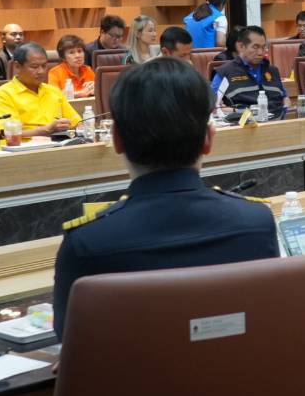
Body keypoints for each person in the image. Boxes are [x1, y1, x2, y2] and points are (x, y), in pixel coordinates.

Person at [53, 57, 278, 342]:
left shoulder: (86, 244)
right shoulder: (257, 223)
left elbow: (72, 344)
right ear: (208, 139)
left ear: (116, 139)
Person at [0, 42, 81, 138]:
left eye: (44, 66)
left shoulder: (53, 91)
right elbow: (10, 134)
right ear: (17, 66)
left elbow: (77, 123)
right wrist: (46, 130)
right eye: (34, 67)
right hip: (24, 146)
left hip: (58, 143)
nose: (41, 71)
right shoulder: (3, 94)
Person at [209, 25, 287, 115]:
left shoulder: (273, 71)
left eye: (263, 47)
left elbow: (285, 99)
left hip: (277, 121)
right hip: (242, 122)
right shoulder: (225, 73)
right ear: (241, 46)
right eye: (255, 47)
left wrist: (286, 107)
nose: (260, 52)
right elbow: (213, 106)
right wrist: (230, 110)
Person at [48, 33, 95, 100]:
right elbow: (54, 96)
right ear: (63, 57)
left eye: (79, 51)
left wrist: (95, 89)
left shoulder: (88, 70)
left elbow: (98, 91)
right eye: (71, 52)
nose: (77, 56)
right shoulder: (55, 73)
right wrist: (80, 93)